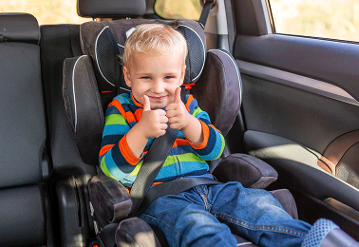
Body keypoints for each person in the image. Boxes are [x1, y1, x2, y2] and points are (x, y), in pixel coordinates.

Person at [99, 23, 356, 247]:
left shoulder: (187, 105)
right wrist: (141, 131)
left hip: (210, 187)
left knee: (260, 207)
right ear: (128, 76)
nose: (158, 88)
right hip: (161, 199)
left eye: (168, 77)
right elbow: (112, 170)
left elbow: (215, 149)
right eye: (146, 77)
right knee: (200, 228)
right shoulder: (121, 109)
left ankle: (315, 242)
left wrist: (190, 124)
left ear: (181, 76)